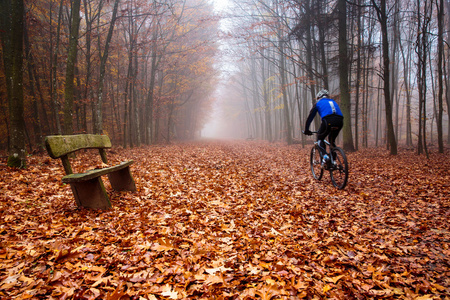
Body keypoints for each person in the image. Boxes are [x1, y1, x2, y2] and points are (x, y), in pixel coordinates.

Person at [304, 89, 344, 160]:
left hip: (328, 120)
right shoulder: (333, 101)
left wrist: (306, 129)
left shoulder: (318, 103)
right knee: (331, 140)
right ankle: (333, 161)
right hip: (340, 121)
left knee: (320, 138)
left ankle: (325, 156)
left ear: (319, 97)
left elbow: (310, 117)